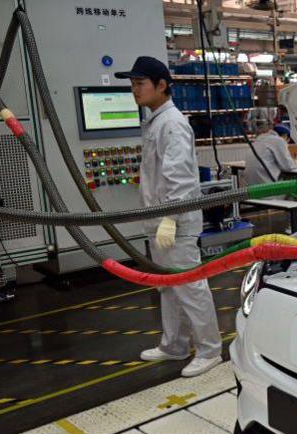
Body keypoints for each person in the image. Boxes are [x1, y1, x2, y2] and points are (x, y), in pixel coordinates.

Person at [116, 56, 223, 378]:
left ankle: (210, 350)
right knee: (168, 286)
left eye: (140, 84)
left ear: (162, 86)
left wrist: (170, 218)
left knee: (190, 287)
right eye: (132, 84)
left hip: (174, 222)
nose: (135, 90)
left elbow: (180, 178)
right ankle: (174, 344)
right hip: (160, 221)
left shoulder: (172, 124)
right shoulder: (156, 121)